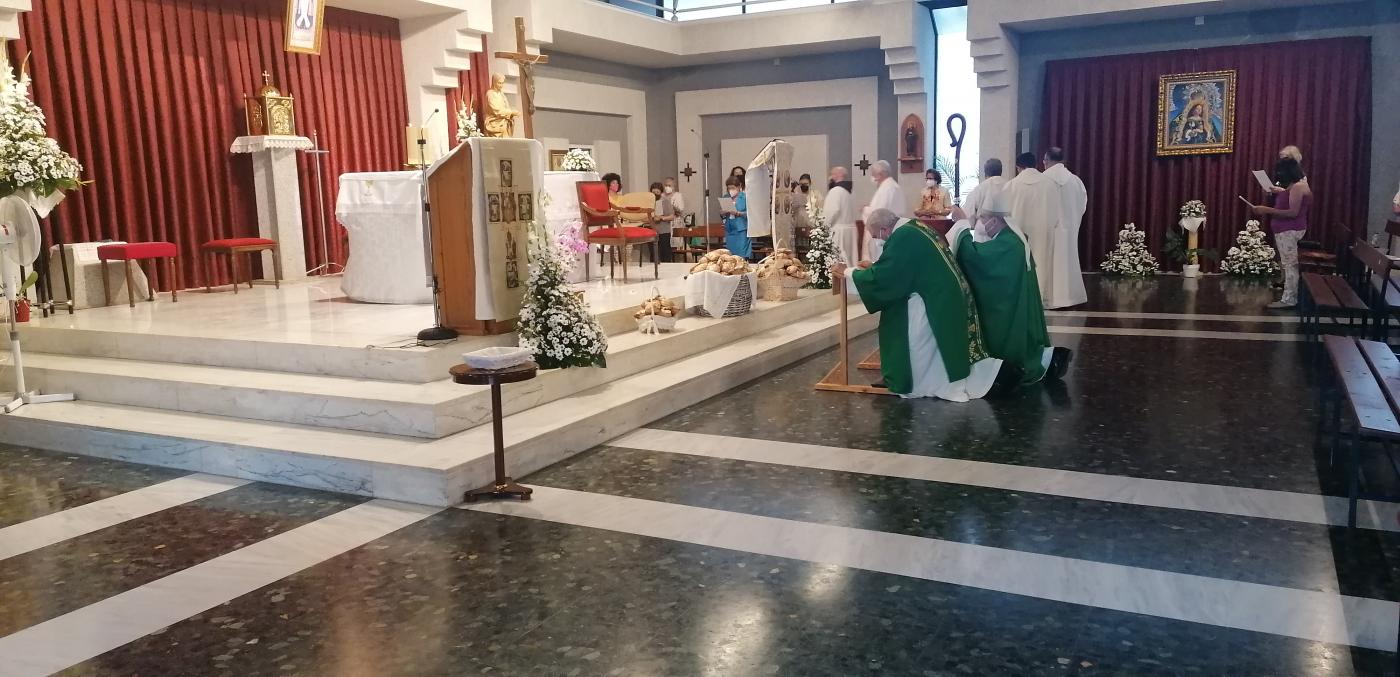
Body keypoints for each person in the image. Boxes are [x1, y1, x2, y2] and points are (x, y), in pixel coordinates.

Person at [829, 208, 1018, 401]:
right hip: (942, 294)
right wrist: (874, 267)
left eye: (876, 236)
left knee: (914, 340)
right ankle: (988, 374)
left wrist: (849, 272)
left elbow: (883, 278)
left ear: (884, 229)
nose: (878, 240)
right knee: (942, 348)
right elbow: (901, 266)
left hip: (934, 300)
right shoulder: (914, 226)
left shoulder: (903, 237)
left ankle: (918, 382)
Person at [948, 189, 1073, 384]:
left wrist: (962, 225)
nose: (980, 223)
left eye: (983, 218)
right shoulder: (1013, 238)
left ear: (995, 220)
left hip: (1010, 312)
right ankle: (1049, 358)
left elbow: (976, 258)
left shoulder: (1008, 243)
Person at [1009, 147, 1087, 309]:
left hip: (1044, 230)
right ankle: (1069, 298)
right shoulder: (1076, 181)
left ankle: (1046, 297)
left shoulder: (1041, 180)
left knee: (1044, 264)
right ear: (1063, 160)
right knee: (1066, 263)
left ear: (1046, 161)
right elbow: (1082, 206)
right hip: (1068, 231)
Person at [1253, 157, 1312, 309]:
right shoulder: (1297, 186)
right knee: (1289, 265)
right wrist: (1281, 191)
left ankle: (1289, 300)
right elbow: (1291, 197)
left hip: (1289, 230)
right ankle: (1289, 297)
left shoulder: (1298, 187)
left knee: (1290, 266)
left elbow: (1292, 212)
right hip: (1287, 230)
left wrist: (1266, 210)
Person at [823, 166, 858, 264]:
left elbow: (831, 212)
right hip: (851, 231)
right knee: (849, 260)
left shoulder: (835, 191)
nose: (830, 177)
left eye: (832, 174)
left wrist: (823, 227)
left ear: (839, 175)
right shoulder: (851, 192)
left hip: (839, 232)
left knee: (839, 262)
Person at [962, 158, 1007, 227]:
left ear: (985, 173)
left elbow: (968, 216)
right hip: (1009, 231)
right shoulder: (1011, 186)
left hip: (985, 231)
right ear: (1001, 171)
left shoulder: (978, 190)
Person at [655, 177, 686, 261]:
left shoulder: (678, 196)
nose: (667, 187)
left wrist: (671, 207)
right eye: (666, 185)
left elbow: (680, 210)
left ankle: (677, 262)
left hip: (675, 223)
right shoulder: (661, 196)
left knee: (676, 247)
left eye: (669, 185)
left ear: (674, 186)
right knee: (664, 247)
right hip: (663, 224)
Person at [721, 176, 751, 259]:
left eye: (733, 188)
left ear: (739, 186)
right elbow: (722, 214)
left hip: (741, 229)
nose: (731, 190)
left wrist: (738, 213)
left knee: (741, 253)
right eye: (729, 188)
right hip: (730, 229)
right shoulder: (726, 197)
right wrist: (723, 212)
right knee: (730, 254)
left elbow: (750, 214)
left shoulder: (745, 197)